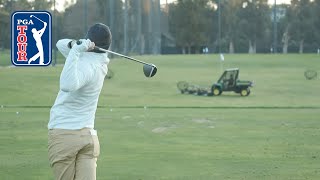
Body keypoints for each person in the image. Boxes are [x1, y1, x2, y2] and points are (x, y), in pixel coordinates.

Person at [48, 23, 112, 180]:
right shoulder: (99, 61)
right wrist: (74, 45)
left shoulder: (87, 65)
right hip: (88, 137)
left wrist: (76, 50)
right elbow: (60, 44)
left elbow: (67, 85)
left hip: (64, 135)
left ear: (89, 40)